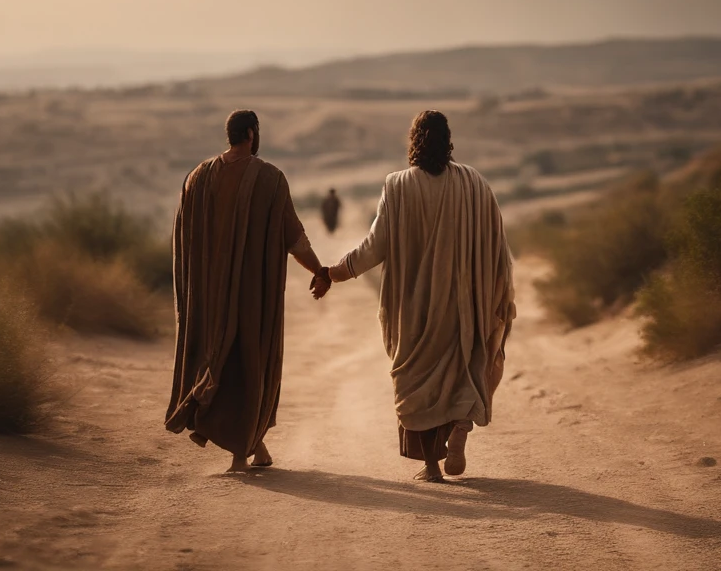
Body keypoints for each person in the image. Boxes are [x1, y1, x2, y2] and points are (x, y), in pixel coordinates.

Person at [317, 110, 516, 483]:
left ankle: (431, 468)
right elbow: (498, 246)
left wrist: (335, 273)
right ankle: (460, 427)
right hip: (465, 308)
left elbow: (374, 247)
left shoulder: (398, 186)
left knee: (415, 384)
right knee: (463, 372)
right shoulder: (475, 184)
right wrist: (494, 295)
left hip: (415, 312)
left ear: (413, 142)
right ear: (448, 141)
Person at [165, 110, 330, 472]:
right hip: (250, 299)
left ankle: (257, 448)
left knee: (217, 358)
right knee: (247, 365)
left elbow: (182, 242)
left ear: (230, 135)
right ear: (252, 134)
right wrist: (319, 271)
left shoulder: (196, 178)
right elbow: (295, 238)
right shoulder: (270, 179)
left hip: (206, 300)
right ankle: (240, 456)